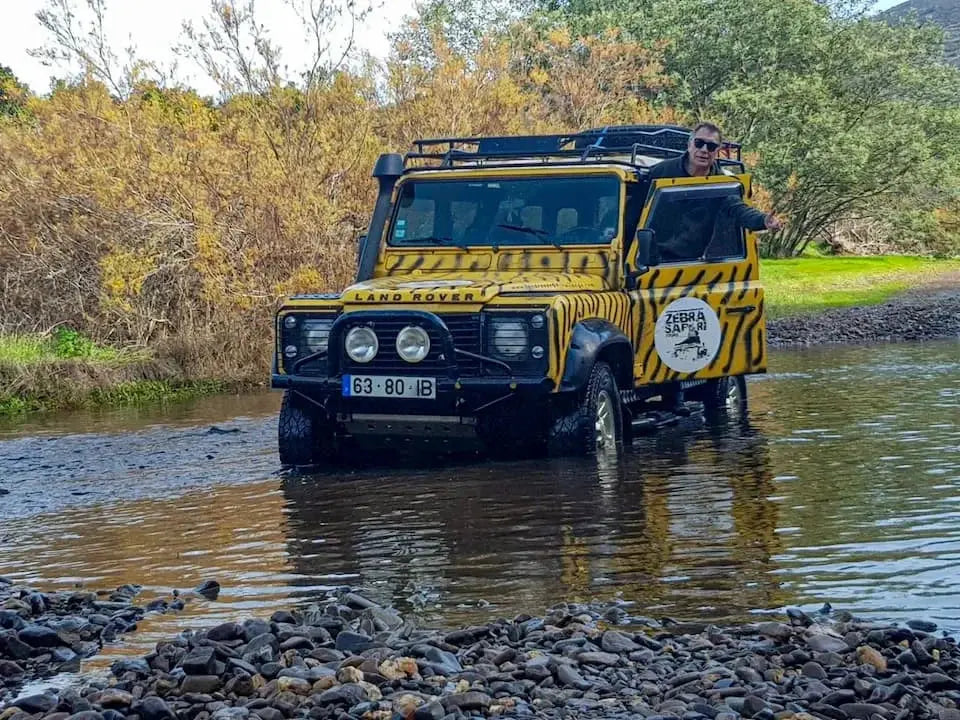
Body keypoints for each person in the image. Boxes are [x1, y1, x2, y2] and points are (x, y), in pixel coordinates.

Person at [648, 122, 784, 233]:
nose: (704, 150)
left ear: (717, 152)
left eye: (711, 146)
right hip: (652, 257)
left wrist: (763, 220)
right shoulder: (661, 171)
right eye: (699, 143)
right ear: (689, 145)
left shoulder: (721, 183)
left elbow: (738, 209)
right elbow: (634, 212)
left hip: (696, 258)